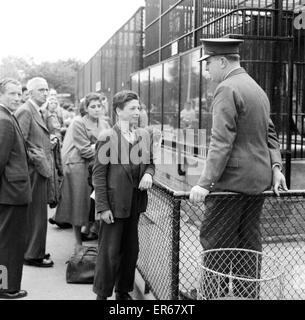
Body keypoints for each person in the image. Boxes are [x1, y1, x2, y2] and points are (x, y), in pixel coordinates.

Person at [189, 38, 288, 299]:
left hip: (230, 183)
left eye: (208, 63)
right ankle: (247, 296)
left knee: (216, 245)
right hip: (258, 181)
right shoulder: (256, 88)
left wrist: (204, 183)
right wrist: (276, 167)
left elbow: (221, 141)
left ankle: (211, 296)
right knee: (248, 245)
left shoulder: (226, 88)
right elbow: (270, 133)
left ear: (222, 61)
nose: (207, 70)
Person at [92, 90, 155, 300]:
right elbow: (98, 176)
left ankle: (122, 291)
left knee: (131, 252)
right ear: (119, 111)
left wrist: (148, 173)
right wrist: (102, 207)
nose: (137, 112)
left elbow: (151, 163)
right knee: (109, 254)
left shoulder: (144, 135)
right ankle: (102, 294)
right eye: (132, 108)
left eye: (139, 108)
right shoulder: (107, 137)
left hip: (135, 204)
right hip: (114, 204)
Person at [53, 93, 110, 252]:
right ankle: (78, 244)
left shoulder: (104, 123)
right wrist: (104, 151)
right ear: (86, 108)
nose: (97, 109)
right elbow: (85, 150)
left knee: (97, 203)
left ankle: (95, 238)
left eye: (99, 106)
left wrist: (100, 149)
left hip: (97, 166)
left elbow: (112, 144)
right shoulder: (78, 122)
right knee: (79, 204)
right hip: (79, 166)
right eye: (93, 106)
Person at [15, 77, 54, 268]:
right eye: (41, 90)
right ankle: (32, 254)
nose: (45, 93)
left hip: (38, 169)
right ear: (30, 93)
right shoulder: (26, 111)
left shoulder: (35, 110)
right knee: (36, 214)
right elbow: (19, 142)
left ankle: (35, 249)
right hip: (34, 170)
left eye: (47, 90)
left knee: (38, 214)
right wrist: (35, 158)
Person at [0, 78, 31, 299]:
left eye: (19, 94)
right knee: (9, 243)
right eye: (12, 94)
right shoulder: (4, 120)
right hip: (11, 193)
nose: (17, 98)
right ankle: (7, 288)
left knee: (8, 241)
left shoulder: (7, 117)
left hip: (11, 191)